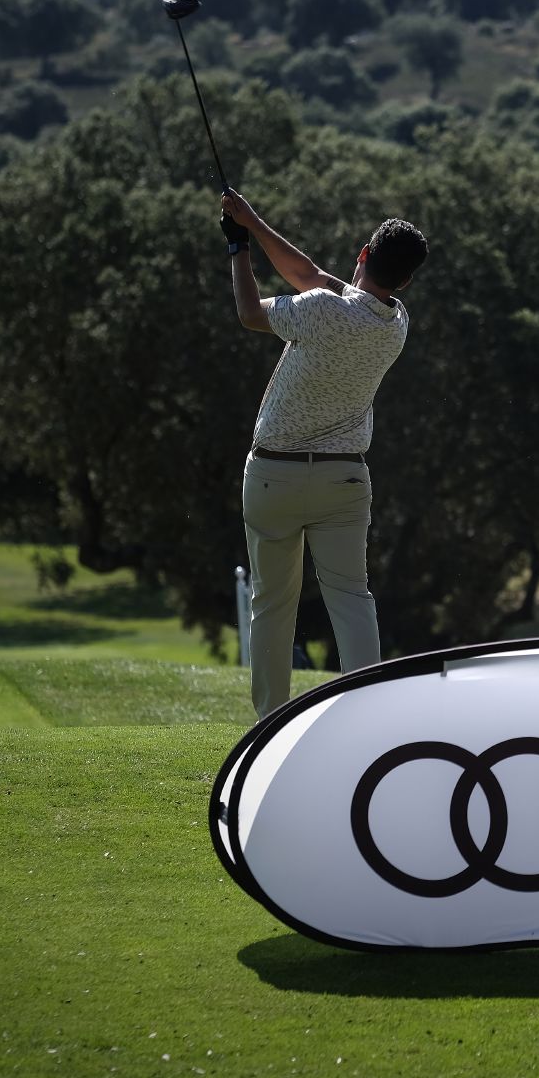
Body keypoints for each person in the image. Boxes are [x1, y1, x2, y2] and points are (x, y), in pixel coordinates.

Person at [219, 188, 428, 719]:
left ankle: (269, 722)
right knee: (351, 599)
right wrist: (253, 222)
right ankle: (365, 716)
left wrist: (237, 248)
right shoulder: (395, 323)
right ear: (404, 281)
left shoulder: (320, 312)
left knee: (272, 605)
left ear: (362, 254)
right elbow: (312, 275)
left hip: (274, 475)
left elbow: (248, 312)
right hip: (344, 482)